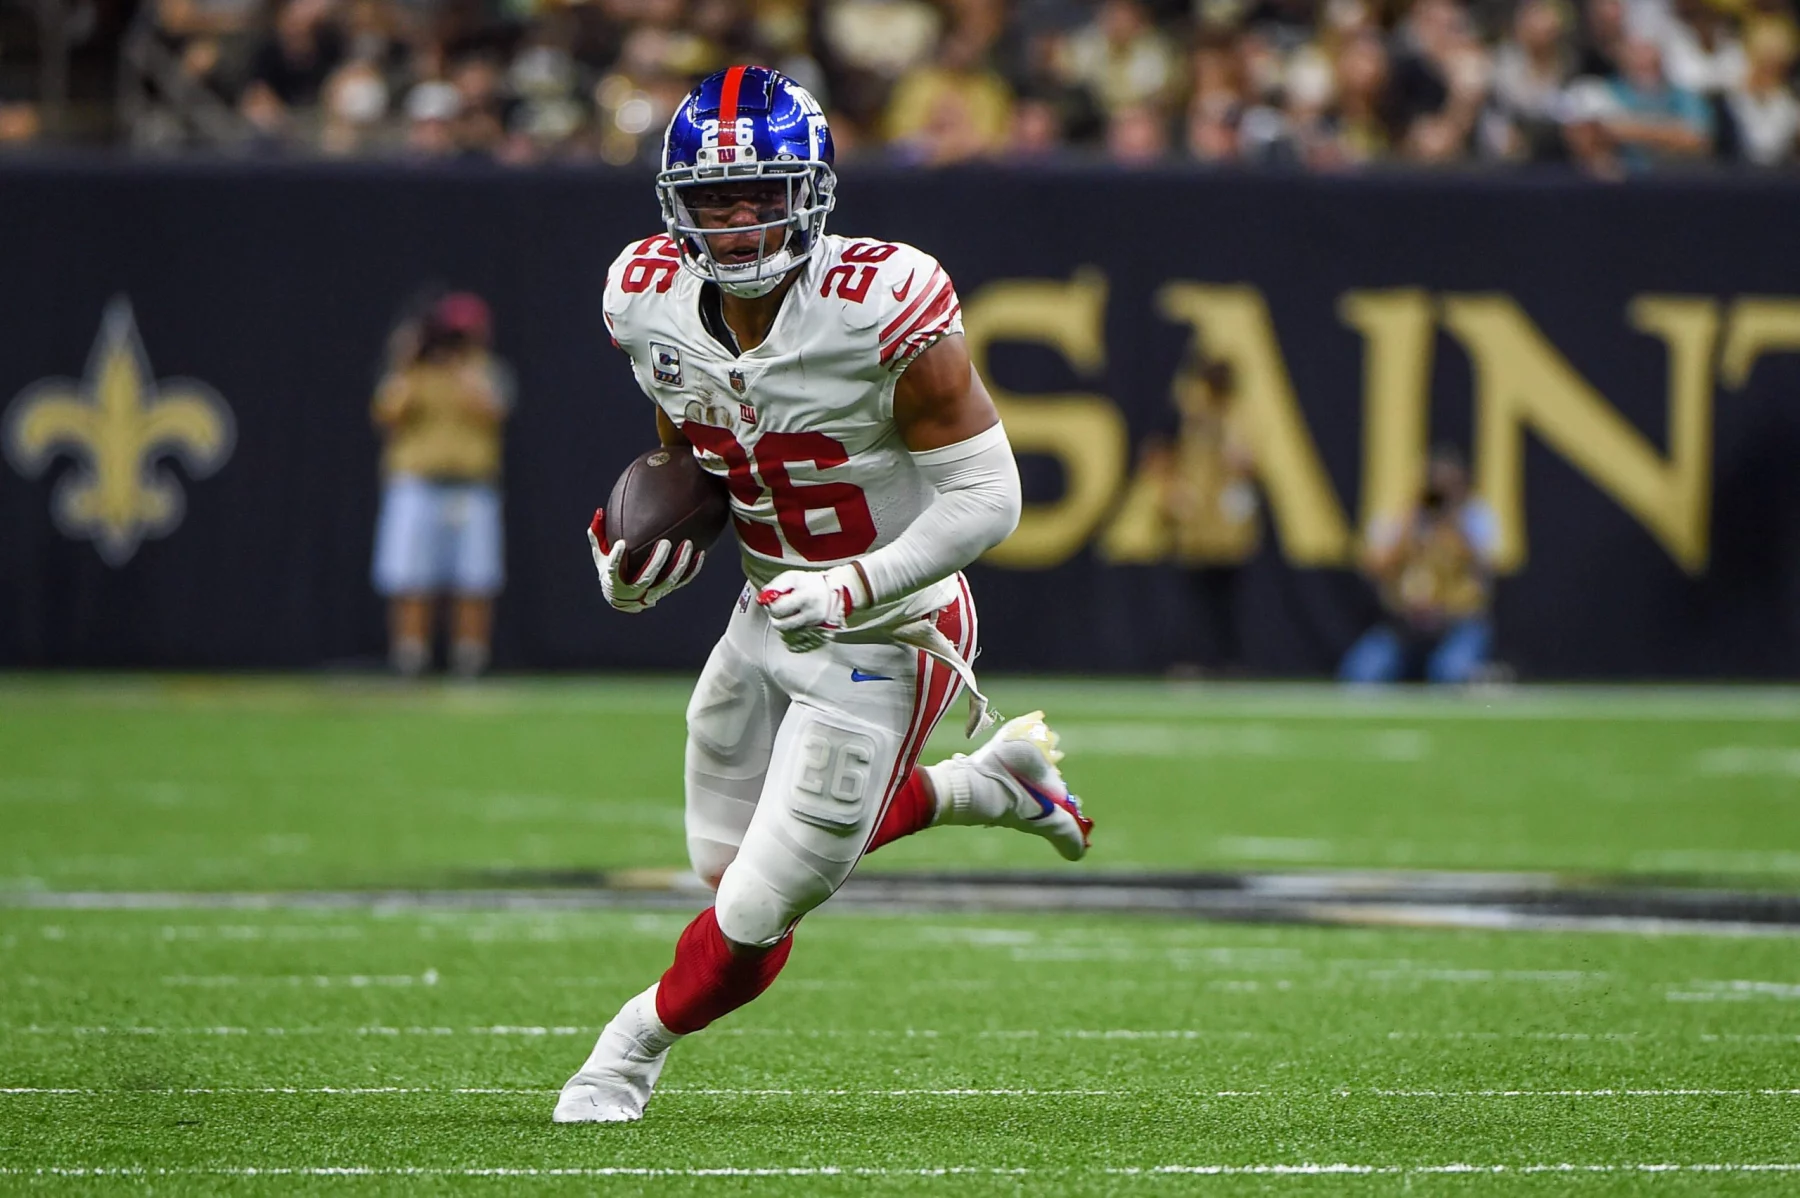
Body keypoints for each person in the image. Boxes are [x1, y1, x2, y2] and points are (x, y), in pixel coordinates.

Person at [555, 65, 1093, 1125]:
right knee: (724, 865)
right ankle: (989, 786)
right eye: (718, 199)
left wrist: (855, 584)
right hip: (766, 609)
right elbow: (693, 462)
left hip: (891, 629)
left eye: (764, 193)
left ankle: (623, 1055)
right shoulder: (644, 296)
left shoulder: (883, 305)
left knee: (757, 909)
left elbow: (991, 496)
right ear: (677, 206)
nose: (742, 221)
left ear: (815, 191)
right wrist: (627, 559)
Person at [370, 292, 510, 678]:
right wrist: (406, 360)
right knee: (410, 576)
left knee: (475, 577)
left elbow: (493, 409)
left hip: (471, 485)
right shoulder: (412, 374)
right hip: (418, 482)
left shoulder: (486, 371)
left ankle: (470, 660)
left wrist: (462, 368)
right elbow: (387, 414)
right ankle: (409, 658)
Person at [1339, 446, 1497, 685]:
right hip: (1404, 626)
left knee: (1450, 674)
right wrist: (1409, 525)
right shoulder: (1404, 519)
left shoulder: (1475, 518)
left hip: (1455, 622)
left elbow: (1485, 572)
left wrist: (1454, 526)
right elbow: (1373, 567)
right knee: (1360, 674)